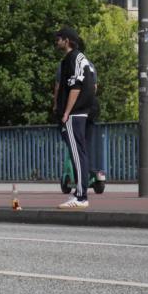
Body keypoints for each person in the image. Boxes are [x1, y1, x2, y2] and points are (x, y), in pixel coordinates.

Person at [53, 26, 98, 209]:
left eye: (59, 38)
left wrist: (66, 112)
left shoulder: (73, 59)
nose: (56, 41)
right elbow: (93, 87)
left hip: (75, 113)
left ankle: (81, 196)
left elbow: (76, 87)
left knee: (77, 154)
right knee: (80, 153)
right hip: (83, 111)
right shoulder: (81, 59)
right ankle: (80, 193)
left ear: (67, 40)